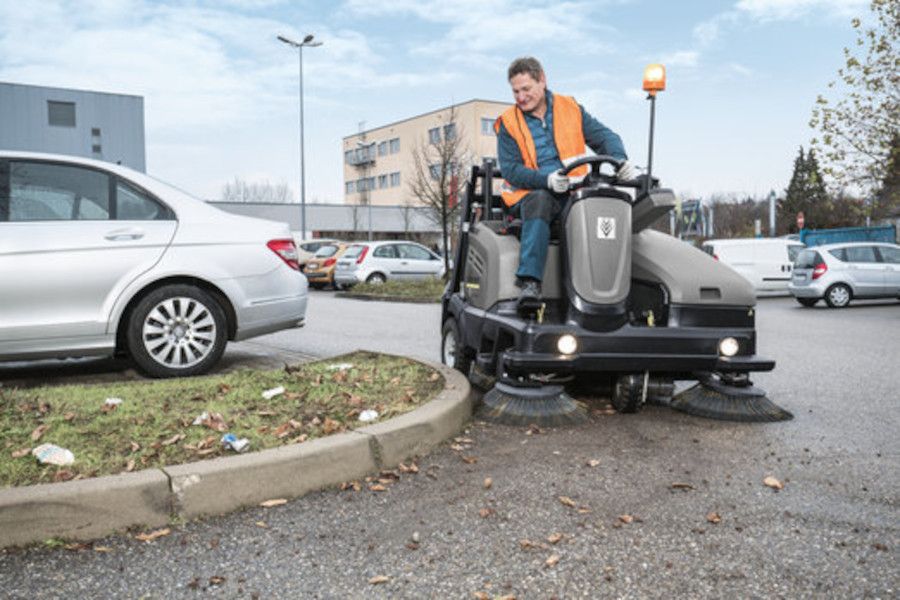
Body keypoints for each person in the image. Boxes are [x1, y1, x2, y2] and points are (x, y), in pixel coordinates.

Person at [495, 56, 637, 305]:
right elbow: (511, 170)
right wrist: (546, 180)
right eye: (515, 91)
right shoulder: (508, 123)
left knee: (608, 204)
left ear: (542, 81)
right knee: (540, 200)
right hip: (531, 195)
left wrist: (620, 160)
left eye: (525, 89)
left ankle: (616, 287)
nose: (520, 97)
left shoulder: (569, 107)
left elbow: (605, 137)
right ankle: (530, 282)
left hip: (573, 193)